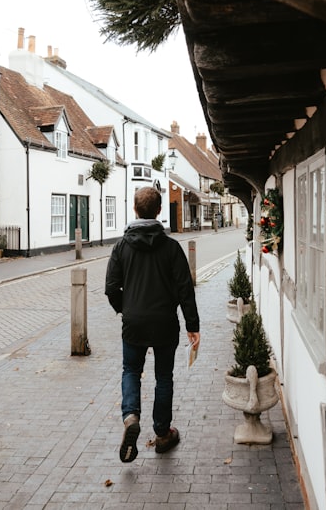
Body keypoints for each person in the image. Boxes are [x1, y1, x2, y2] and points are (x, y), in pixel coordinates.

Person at [106, 187, 200, 463]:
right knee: (164, 377)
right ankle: (162, 433)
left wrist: (126, 309)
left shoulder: (121, 247)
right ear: (160, 211)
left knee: (131, 370)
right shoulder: (171, 247)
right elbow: (185, 289)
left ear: (135, 210)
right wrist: (192, 325)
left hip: (133, 323)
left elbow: (111, 287)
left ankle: (131, 416)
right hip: (165, 323)